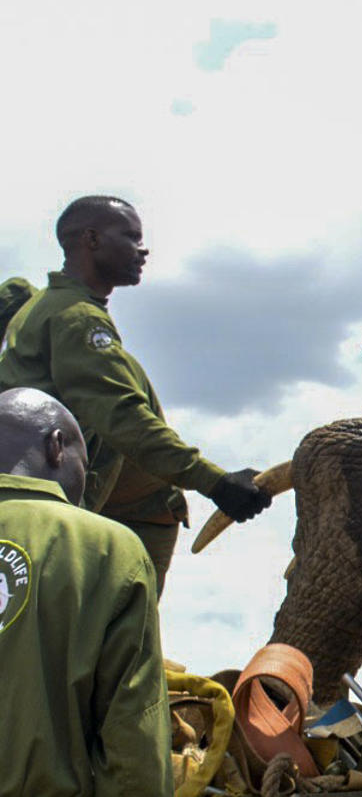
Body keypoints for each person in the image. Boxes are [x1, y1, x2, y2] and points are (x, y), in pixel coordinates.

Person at [0, 195, 271, 593]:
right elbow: (121, 416)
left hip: (87, 511)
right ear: (91, 240)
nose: (143, 249)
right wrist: (216, 482)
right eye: (130, 236)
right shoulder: (76, 318)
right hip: (58, 516)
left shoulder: (49, 307)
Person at [0, 386, 171, 796]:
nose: (87, 483)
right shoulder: (108, 549)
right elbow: (132, 732)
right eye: (85, 465)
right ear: (56, 446)